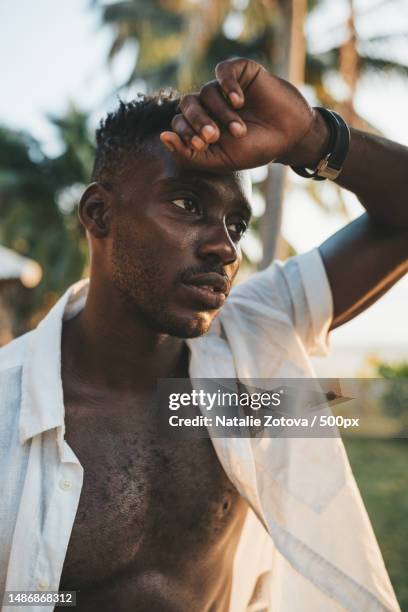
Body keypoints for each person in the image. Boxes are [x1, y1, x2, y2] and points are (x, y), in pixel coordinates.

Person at [0, 57, 406, 612]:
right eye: (187, 204)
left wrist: (311, 136)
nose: (226, 248)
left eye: (235, 224)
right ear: (99, 214)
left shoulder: (257, 331)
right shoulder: (8, 406)